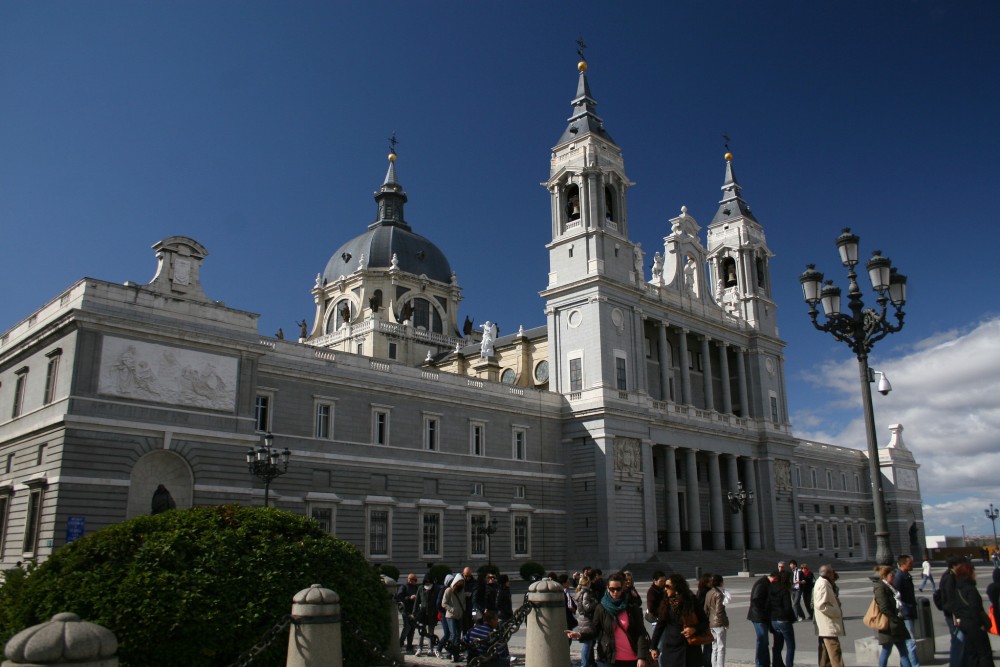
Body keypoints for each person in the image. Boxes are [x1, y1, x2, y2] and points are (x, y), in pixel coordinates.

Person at [565, 572, 655, 667]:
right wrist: (580, 635)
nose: (615, 592)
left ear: (622, 588)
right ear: (607, 588)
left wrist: (641, 657)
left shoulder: (631, 607)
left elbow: (641, 632)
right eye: (612, 589)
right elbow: (595, 630)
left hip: (632, 659)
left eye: (618, 589)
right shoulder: (601, 608)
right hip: (608, 658)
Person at [649, 573, 709, 667]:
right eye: (664, 586)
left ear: (676, 587)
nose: (665, 589)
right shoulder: (666, 603)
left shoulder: (691, 600)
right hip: (671, 650)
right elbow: (660, 626)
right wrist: (653, 647)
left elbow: (705, 622)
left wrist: (694, 629)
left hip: (690, 650)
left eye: (668, 586)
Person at [951, 562, 995, 667]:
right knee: (984, 653)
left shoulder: (957, 589)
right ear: (968, 574)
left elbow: (955, 608)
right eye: (973, 573)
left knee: (972, 653)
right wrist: (981, 624)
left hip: (964, 624)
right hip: (974, 624)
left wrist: (959, 621)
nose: (975, 575)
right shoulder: (970, 589)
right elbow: (975, 608)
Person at [874, 564, 913, 667]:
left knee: (903, 651)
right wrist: (895, 618)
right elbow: (884, 607)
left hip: (896, 623)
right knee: (887, 650)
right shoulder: (880, 587)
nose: (894, 578)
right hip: (889, 625)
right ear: (885, 576)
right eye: (892, 575)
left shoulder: (890, 587)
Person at [812, 565, 845, 667]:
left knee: (825, 656)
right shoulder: (823, 584)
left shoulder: (822, 582)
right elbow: (820, 605)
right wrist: (836, 611)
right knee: (835, 653)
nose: (833, 574)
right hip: (828, 625)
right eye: (832, 572)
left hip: (824, 626)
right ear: (828, 573)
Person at [893, 555, 921, 667]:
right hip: (905, 612)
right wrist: (902, 608)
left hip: (909, 610)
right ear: (903, 564)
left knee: (908, 641)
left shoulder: (906, 575)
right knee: (911, 641)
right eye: (910, 563)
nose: (912, 565)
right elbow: (895, 595)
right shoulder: (899, 577)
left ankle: (905, 664)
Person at [769, 570, 796, 667]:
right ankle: (789, 664)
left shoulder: (771, 588)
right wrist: (791, 618)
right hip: (783, 620)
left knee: (777, 645)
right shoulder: (784, 590)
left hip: (773, 619)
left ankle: (776, 664)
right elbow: (788, 607)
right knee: (790, 645)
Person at [747, 572, 775, 667]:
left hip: (761, 616)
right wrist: (765, 607)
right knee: (762, 639)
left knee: (764, 641)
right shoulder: (762, 584)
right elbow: (756, 600)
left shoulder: (765, 583)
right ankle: (760, 663)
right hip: (758, 616)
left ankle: (765, 663)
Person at [705, 574, 729, 667]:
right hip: (719, 623)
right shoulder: (719, 594)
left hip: (711, 622)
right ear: (721, 582)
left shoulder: (709, 593)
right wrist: (726, 622)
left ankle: (714, 665)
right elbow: (720, 611)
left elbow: (706, 609)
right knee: (721, 648)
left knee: (714, 647)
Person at [442, 574, 468, 662]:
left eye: (462, 582)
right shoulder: (448, 590)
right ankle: (451, 654)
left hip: (459, 616)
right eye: (460, 582)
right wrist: (452, 609)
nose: (461, 584)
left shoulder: (462, 591)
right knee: (453, 635)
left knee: (457, 636)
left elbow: (463, 602)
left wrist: (463, 610)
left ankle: (454, 654)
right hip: (451, 616)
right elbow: (444, 603)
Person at [413, 574, 440, 656]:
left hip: (432, 613)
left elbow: (438, 601)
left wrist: (438, 612)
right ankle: (420, 648)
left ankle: (430, 649)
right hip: (422, 613)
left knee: (431, 632)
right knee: (421, 631)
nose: (428, 583)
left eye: (429, 581)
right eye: (426, 581)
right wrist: (414, 612)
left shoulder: (436, 589)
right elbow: (417, 601)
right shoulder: (420, 588)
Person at [575, 574, 598, 667]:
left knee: (589, 642)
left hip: (582, 619)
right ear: (588, 583)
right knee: (587, 643)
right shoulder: (586, 593)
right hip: (586, 620)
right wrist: (595, 602)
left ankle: (587, 663)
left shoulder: (579, 591)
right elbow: (587, 607)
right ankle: (584, 664)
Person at [395, 572, 420, 654]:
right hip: (405, 610)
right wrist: (409, 598)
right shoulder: (404, 587)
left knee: (412, 628)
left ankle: (409, 646)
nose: (414, 581)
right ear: (409, 579)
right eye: (413, 579)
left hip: (413, 611)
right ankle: (400, 643)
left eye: (415, 580)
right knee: (407, 627)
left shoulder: (416, 588)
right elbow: (399, 597)